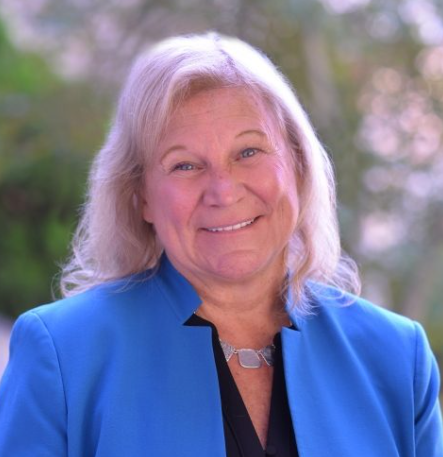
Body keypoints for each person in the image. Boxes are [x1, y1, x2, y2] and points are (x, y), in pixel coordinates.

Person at [0, 32, 441, 457]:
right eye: (185, 165)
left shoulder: (398, 357)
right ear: (142, 198)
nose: (223, 191)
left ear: (299, 166)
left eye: (248, 152)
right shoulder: (61, 356)